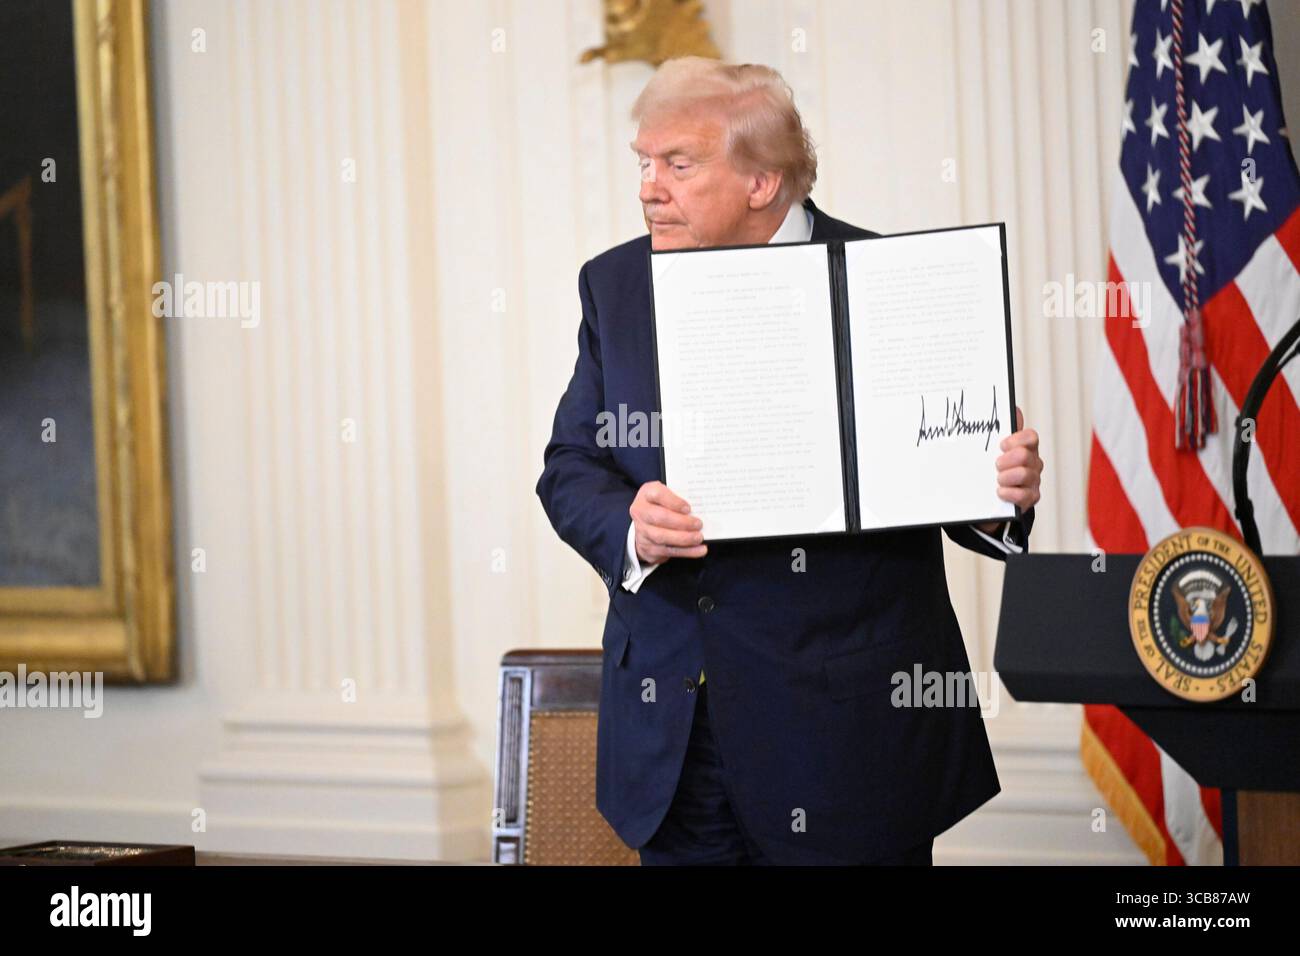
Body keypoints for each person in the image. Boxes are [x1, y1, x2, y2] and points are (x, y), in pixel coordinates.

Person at [536, 57, 1044, 865]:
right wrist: (628, 525)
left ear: (762, 182)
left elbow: (961, 493)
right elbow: (570, 465)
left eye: (679, 164)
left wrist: (997, 493)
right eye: (643, 161)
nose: (648, 187)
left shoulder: (897, 286)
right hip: (679, 739)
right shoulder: (615, 286)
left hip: (852, 740)